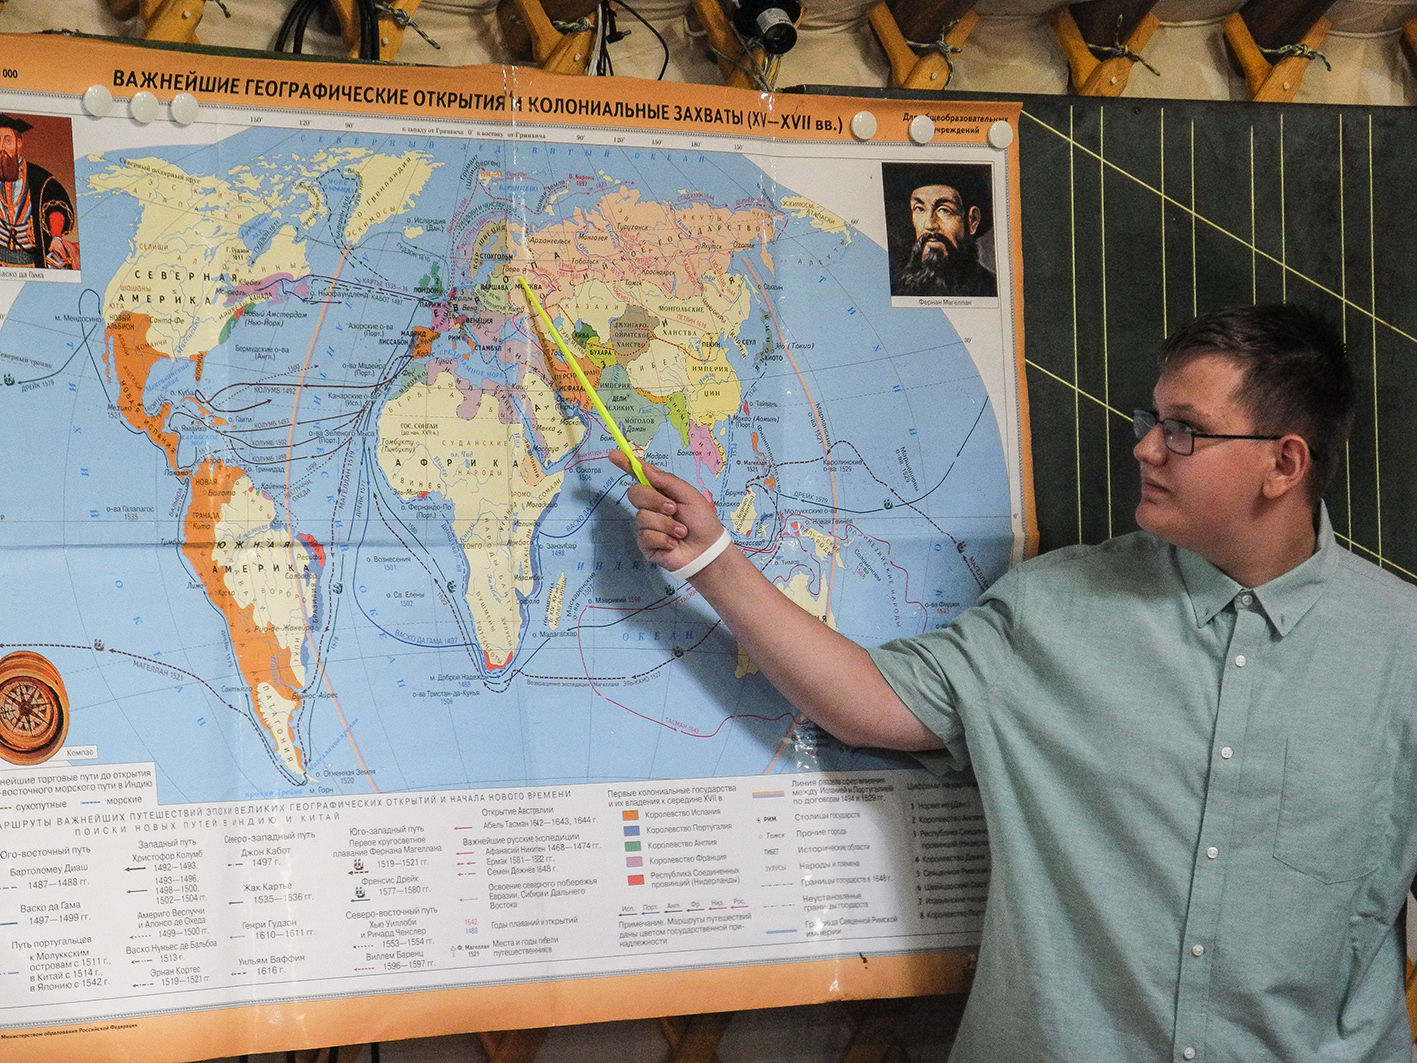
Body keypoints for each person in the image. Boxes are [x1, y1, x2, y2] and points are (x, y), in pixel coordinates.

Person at [611, 303, 1417, 1062]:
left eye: (1183, 431)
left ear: (1283, 463)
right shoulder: (1054, 607)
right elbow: (870, 702)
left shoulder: (1400, 647)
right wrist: (710, 560)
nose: (1144, 447)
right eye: (1150, 419)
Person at [886, 165, 996, 298]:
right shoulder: (891, 286)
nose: (929, 225)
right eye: (920, 209)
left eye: (944, 210)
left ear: (972, 220)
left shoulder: (993, 289)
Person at [0, 114, 77, 271]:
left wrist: (56, 236)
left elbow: (56, 207)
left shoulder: (40, 179)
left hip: (33, 256)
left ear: (19, 143)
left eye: (7, 141)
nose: (1, 147)